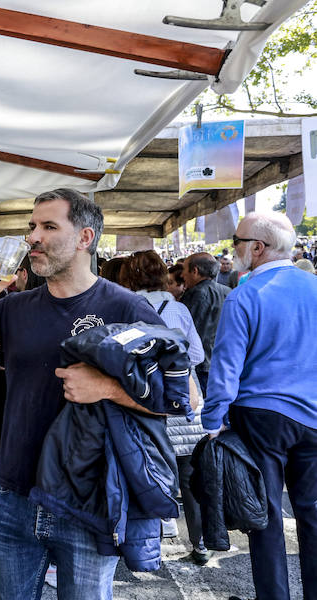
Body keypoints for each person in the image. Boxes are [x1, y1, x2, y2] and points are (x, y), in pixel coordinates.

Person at [0, 189, 164, 598]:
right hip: (13, 498)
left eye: (49, 226)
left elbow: (182, 397)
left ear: (85, 238)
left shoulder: (126, 308)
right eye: (32, 227)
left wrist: (107, 387)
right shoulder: (14, 308)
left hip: (88, 502)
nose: (33, 237)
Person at [203, 213, 317, 600]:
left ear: (257, 247)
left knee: (265, 515)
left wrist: (212, 418)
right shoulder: (314, 288)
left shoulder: (246, 294)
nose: (232, 248)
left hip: (261, 416)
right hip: (313, 414)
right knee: (312, 514)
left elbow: (226, 366)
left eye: (237, 240)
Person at [119, 251, 209, 564]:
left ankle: (148, 547)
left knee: (146, 472)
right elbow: (196, 354)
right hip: (184, 400)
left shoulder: (124, 306)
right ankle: (199, 544)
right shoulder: (177, 307)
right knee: (189, 476)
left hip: (145, 402)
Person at [180, 253, 230, 396]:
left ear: (195, 271)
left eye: (184, 270)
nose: (182, 275)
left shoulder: (195, 294)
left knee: (212, 404)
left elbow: (186, 330)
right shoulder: (228, 292)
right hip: (226, 360)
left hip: (204, 363)